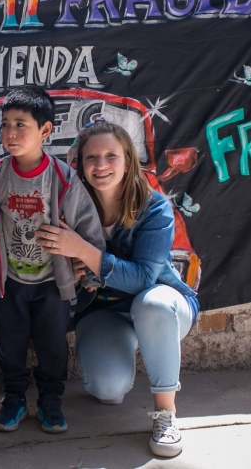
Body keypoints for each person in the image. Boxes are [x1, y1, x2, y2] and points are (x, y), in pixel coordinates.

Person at [35, 119, 200, 458]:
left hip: (163, 306)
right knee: (108, 389)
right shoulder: (70, 206)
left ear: (127, 160)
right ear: (78, 164)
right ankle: (123, 350)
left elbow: (143, 279)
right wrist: (72, 266)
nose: (101, 165)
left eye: (111, 155)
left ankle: (165, 414)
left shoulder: (153, 207)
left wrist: (83, 251)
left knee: (151, 305)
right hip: (103, 310)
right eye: (91, 157)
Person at [0, 87, 105, 434]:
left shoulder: (62, 178)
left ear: (45, 131)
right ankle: (13, 397)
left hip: (53, 284)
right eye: (5, 125)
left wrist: (90, 272)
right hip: (10, 284)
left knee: (52, 344)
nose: (10, 133)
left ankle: (50, 399)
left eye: (21, 124)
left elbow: (87, 225)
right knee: (10, 344)